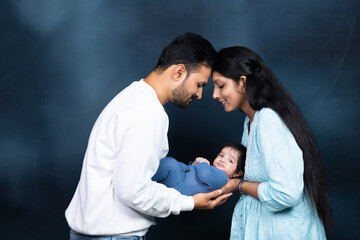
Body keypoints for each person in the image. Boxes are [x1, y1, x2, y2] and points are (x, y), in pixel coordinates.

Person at [65, 33, 233, 240]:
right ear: (179, 72)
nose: (199, 94)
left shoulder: (131, 96)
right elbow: (132, 190)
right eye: (200, 84)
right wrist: (190, 202)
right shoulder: (148, 114)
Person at [212, 46, 332, 239]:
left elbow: (286, 192)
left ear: (242, 83)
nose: (215, 95)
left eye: (221, 86)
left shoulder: (268, 120)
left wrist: (238, 185)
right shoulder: (250, 122)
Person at [152, 142, 246, 196]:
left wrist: (203, 163)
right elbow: (195, 173)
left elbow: (205, 175)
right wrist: (194, 164)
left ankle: (144, 177)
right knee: (169, 163)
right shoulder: (211, 169)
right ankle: (146, 176)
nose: (222, 160)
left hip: (179, 187)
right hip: (179, 180)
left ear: (237, 173)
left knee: (170, 164)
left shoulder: (223, 178)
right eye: (221, 155)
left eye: (230, 161)